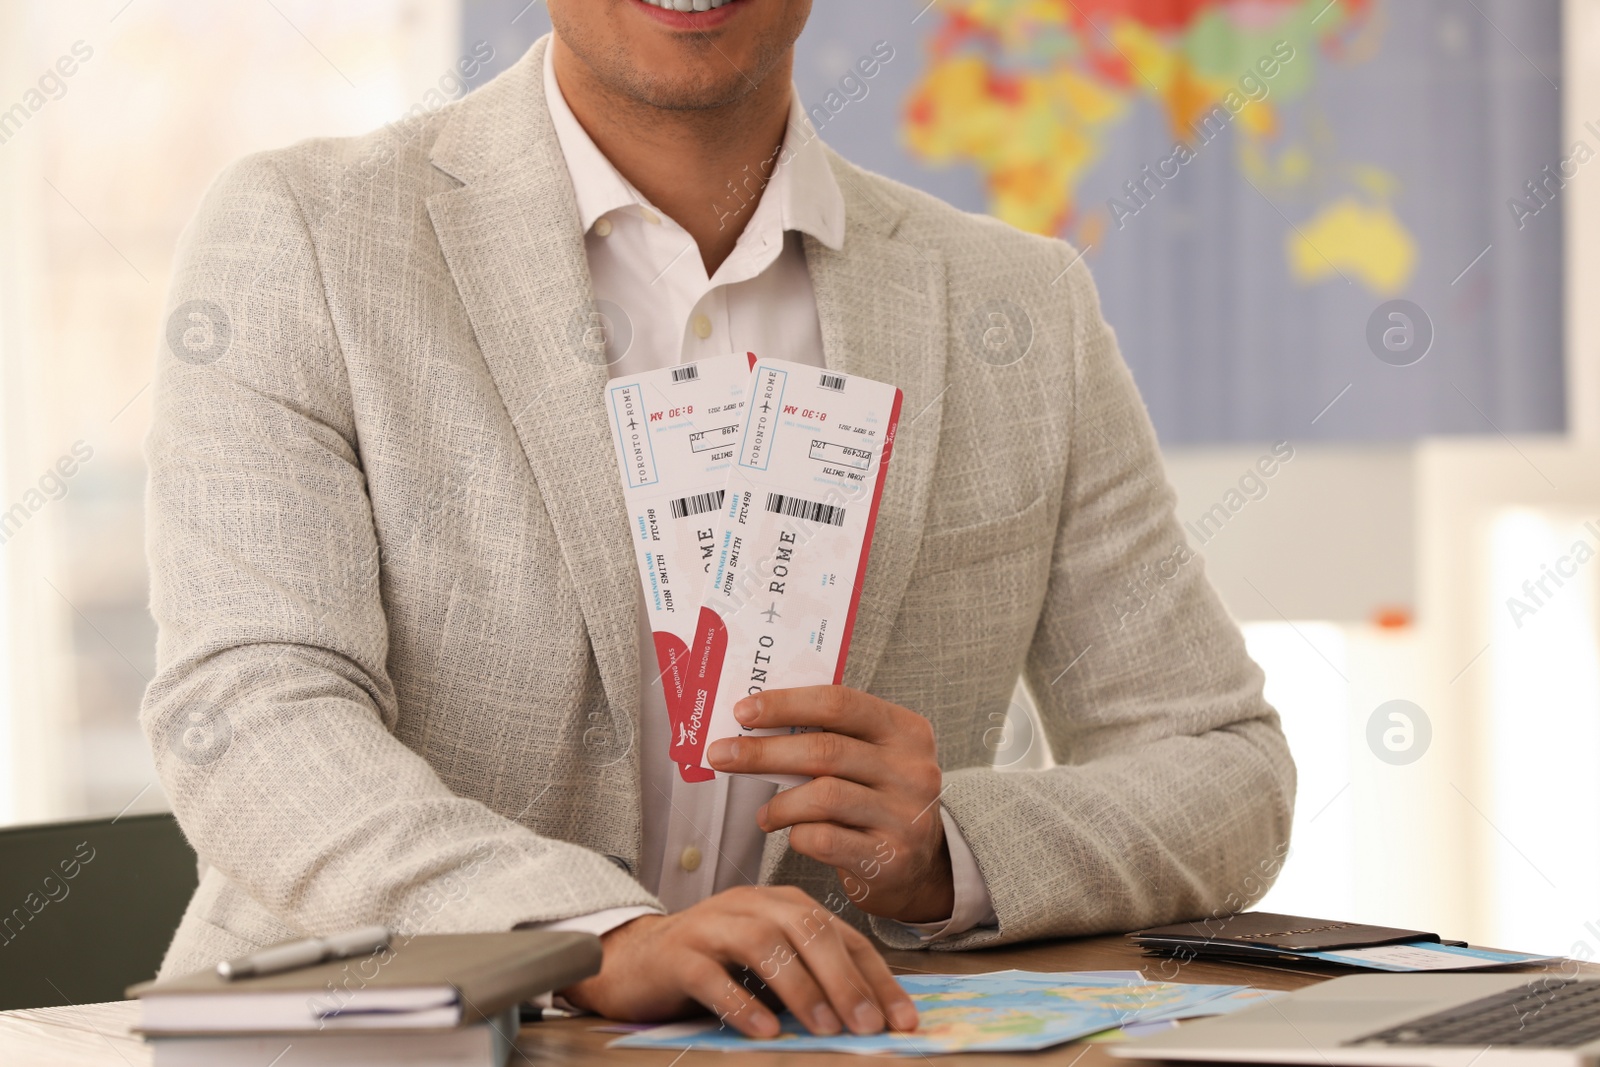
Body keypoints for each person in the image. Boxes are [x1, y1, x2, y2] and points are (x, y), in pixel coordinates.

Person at [142, 0, 1295, 1040]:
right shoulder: (305, 234)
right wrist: (589, 931)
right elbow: (245, 712)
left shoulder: (1017, 306)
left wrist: (949, 846)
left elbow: (1225, 774)